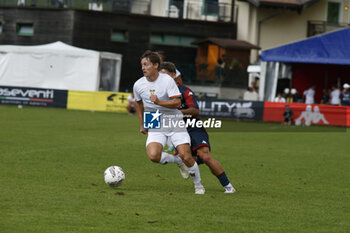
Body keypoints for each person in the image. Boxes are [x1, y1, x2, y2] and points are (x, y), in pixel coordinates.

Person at [133, 51, 205, 194]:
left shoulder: (167, 80)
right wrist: (142, 124)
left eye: (146, 64)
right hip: (154, 119)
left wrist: (159, 102)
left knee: (186, 156)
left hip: (173, 118)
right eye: (142, 65)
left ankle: (198, 185)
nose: (143, 68)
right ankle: (177, 161)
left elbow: (177, 102)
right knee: (153, 156)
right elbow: (138, 103)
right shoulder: (138, 84)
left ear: (155, 65)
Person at [159, 61, 236, 194]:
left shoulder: (185, 91)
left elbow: (195, 110)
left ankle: (228, 186)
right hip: (176, 129)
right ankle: (181, 162)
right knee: (187, 158)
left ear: (173, 76)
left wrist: (177, 113)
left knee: (205, 157)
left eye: (165, 75)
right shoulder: (160, 94)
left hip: (193, 127)